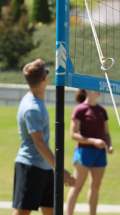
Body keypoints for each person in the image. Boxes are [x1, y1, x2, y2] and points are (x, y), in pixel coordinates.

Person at [13, 59, 75, 215]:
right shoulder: (31, 108)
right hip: (30, 167)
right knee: (22, 212)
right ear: (45, 79)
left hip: (45, 167)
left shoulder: (36, 102)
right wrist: (62, 171)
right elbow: (40, 144)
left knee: (52, 212)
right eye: (46, 72)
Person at [66, 89, 113, 215]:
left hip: (100, 153)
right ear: (87, 90)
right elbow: (73, 134)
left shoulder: (102, 110)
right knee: (77, 186)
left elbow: (106, 133)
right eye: (95, 87)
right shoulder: (80, 109)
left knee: (95, 186)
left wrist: (109, 145)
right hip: (84, 152)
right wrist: (93, 141)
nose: (99, 90)